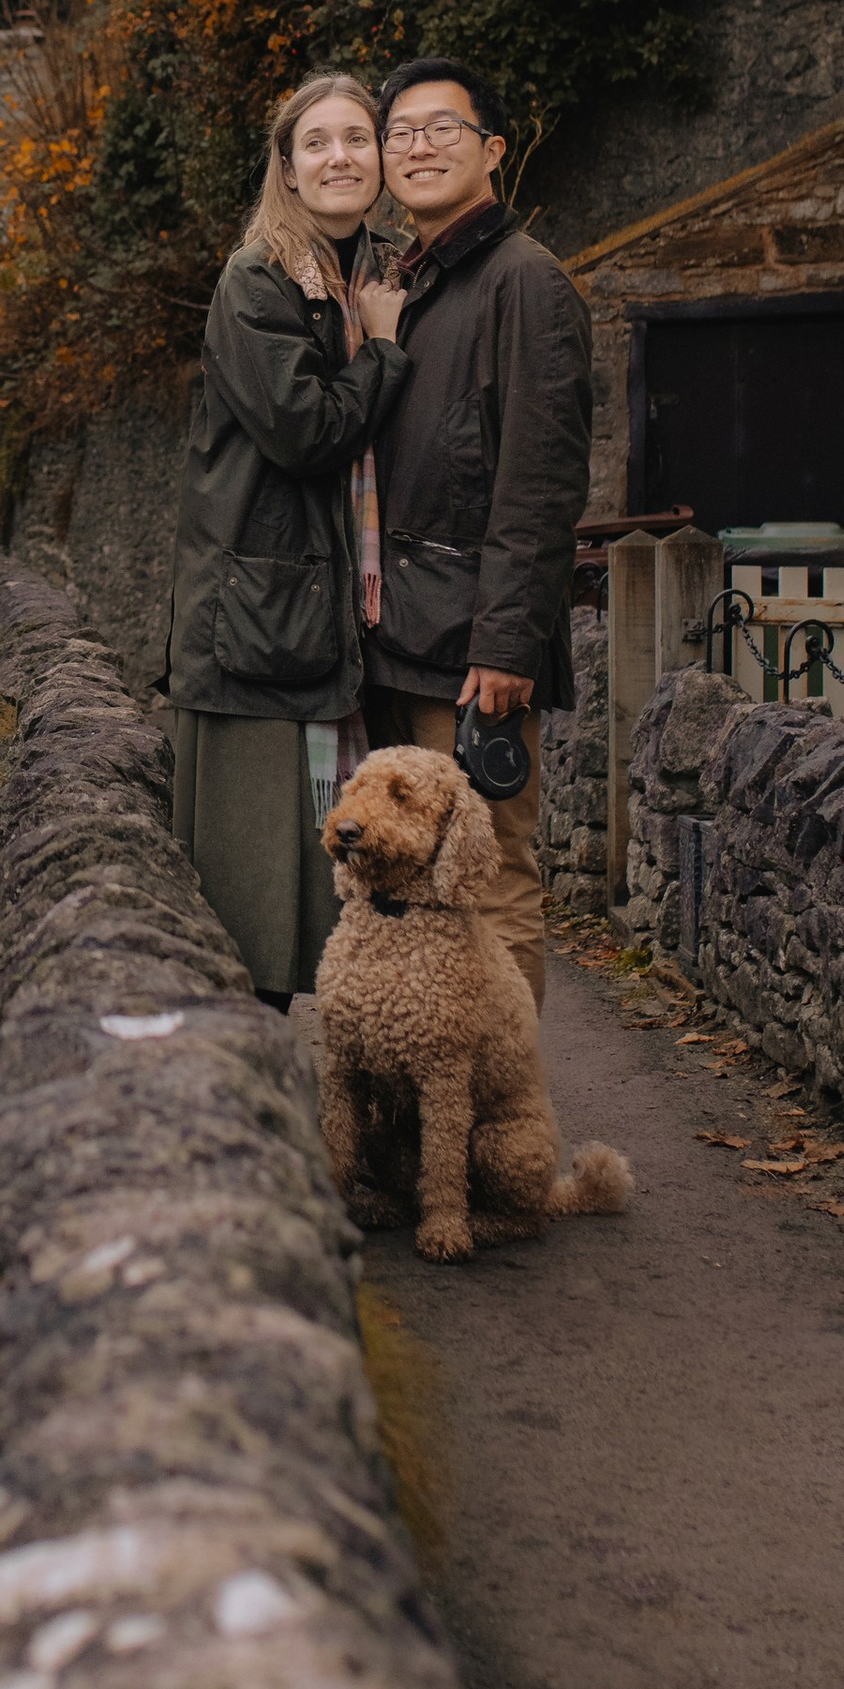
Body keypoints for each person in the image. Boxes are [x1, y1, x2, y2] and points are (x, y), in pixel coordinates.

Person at [165, 72, 413, 1005]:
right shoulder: (258, 279)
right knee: (252, 911)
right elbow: (302, 429)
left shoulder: (381, 272)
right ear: (288, 166)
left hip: (340, 615)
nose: (341, 156)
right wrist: (383, 352)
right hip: (261, 625)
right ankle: (246, 1134)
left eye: (358, 137)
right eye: (318, 141)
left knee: (335, 913)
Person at [359, 55, 593, 1011]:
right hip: (398, 635)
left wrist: (505, 643)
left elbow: (539, 484)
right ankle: (430, 1129)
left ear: (492, 150)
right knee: (404, 888)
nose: (417, 146)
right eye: (400, 132)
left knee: (488, 881)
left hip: (470, 651)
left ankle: (506, 1122)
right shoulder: (404, 282)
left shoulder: (525, 281)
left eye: (441, 128)